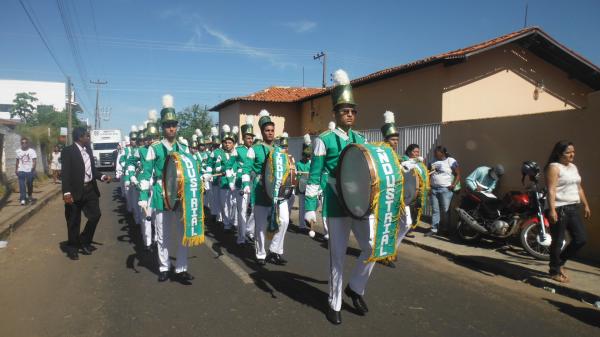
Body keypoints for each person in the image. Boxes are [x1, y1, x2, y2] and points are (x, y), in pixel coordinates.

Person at [304, 69, 373, 325]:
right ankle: (334, 302)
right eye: (344, 110)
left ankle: (355, 287)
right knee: (338, 256)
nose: (350, 114)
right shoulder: (324, 140)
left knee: (372, 247)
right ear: (335, 112)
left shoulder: (362, 139)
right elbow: (314, 175)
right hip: (335, 204)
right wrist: (310, 207)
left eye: (353, 110)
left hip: (361, 205)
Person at [138, 94, 193, 283]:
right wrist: (143, 197)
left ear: (177, 126)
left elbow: (190, 170)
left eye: (174, 124)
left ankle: (182, 267)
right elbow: (146, 174)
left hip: (180, 197)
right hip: (161, 197)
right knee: (163, 235)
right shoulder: (154, 148)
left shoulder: (184, 148)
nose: (171, 127)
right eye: (168, 125)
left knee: (183, 233)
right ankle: (164, 267)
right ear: (162, 128)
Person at [242, 109, 290, 266]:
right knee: (261, 225)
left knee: (284, 220)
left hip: (277, 192)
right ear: (262, 132)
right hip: (260, 191)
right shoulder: (253, 149)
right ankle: (261, 254)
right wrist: (246, 184)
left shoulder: (279, 150)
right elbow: (246, 168)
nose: (270, 133)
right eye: (267, 130)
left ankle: (275, 251)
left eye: (272, 130)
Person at [61, 127, 111, 260]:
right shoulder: (68, 151)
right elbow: (65, 174)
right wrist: (66, 193)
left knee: (95, 215)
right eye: (87, 136)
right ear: (80, 137)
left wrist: (103, 176)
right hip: (74, 191)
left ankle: (84, 239)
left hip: (90, 189)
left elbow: (93, 170)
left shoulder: (88, 150)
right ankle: (72, 248)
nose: (89, 138)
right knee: (73, 221)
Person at [545, 140, 591, 283]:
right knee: (558, 241)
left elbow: (579, 188)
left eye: (573, 152)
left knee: (581, 238)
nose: (572, 154)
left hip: (573, 207)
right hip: (559, 208)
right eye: (568, 152)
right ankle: (554, 271)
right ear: (559, 153)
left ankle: (560, 263)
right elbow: (551, 189)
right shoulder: (554, 167)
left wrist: (586, 205)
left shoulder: (573, 167)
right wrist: (552, 209)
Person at [427, 146, 460, 236]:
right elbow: (428, 174)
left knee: (445, 210)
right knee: (435, 210)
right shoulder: (432, 161)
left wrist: (453, 185)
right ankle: (434, 229)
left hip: (445, 190)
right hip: (434, 189)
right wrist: (428, 187)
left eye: (436, 153)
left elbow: (457, 174)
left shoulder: (451, 161)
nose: (434, 154)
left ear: (443, 153)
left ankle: (445, 229)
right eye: (434, 153)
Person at [235, 116, 255, 245]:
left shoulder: (255, 150)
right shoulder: (237, 150)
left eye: (252, 137)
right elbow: (233, 166)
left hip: (254, 184)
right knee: (242, 211)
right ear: (243, 138)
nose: (250, 140)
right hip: (241, 184)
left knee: (254, 210)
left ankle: (250, 230)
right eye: (248, 138)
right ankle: (241, 237)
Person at [295, 134, 312, 232]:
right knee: (301, 206)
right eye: (306, 155)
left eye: (309, 155)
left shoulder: (311, 163)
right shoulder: (298, 164)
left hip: (309, 187)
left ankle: (308, 220)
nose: (307, 157)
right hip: (301, 187)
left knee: (311, 205)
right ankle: (302, 225)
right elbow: (297, 177)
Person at [15, 137, 37, 205]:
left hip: (30, 170)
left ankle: (30, 195)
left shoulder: (32, 151)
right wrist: (16, 169)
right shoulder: (18, 151)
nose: (24, 144)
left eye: (25, 142)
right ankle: (23, 199)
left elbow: (34, 161)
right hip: (21, 170)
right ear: (21, 143)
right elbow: (17, 161)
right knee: (22, 185)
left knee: (29, 184)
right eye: (22, 143)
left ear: (28, 143)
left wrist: (33, 169)